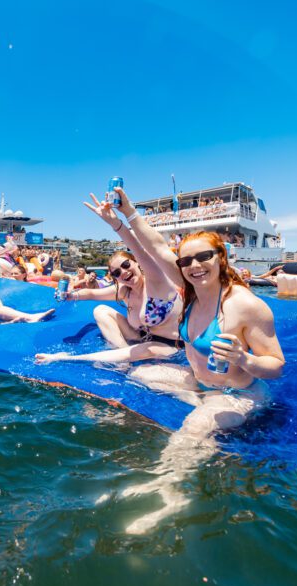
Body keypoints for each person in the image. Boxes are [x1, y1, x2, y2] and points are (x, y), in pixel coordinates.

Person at [113, 222, 284, 533]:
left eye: (203, 257)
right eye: (186, 261)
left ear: (221, 257)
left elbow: (276, 365)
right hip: (200, 382)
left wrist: (244, 359)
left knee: (195, 428)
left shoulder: (245, 305)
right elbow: (156, 248)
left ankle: (169, 492)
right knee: (140, 374)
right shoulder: (191, 293)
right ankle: (198, 401)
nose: (194, 265)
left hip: (240, 393)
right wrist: (125, 216)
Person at [36, 191, 183, 366]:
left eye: (126, 265)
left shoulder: (157, 282)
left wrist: (116, 224)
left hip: (169, 346)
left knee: (145, 353)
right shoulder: (124, 290)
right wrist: (71, 295)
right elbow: (91, 293)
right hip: (142, 339)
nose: (123, 273)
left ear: (137, 263)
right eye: (116, 273)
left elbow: (141, 249)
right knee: (101, 310)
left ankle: (71, 358)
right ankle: (121, 356)